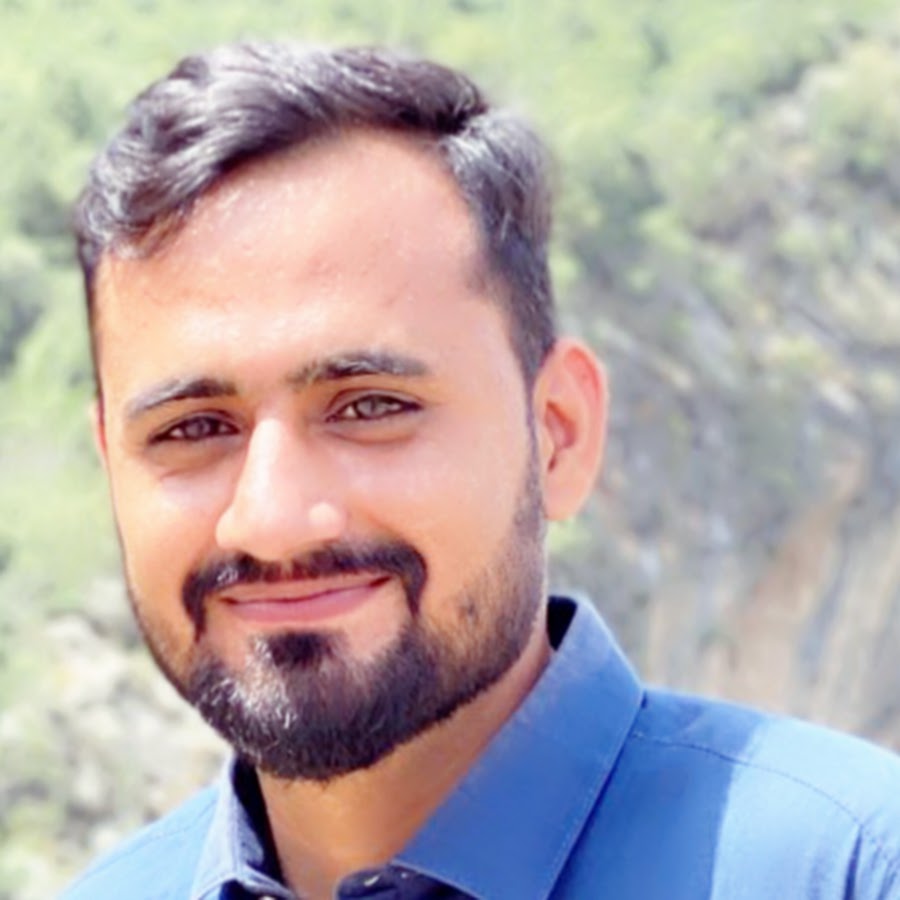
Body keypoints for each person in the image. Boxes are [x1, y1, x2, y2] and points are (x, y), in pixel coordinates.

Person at [62, 40, 900, 900]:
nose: (272, 519)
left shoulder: (850, 869)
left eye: (369, 407)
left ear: (558, 434)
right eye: (194, 428)